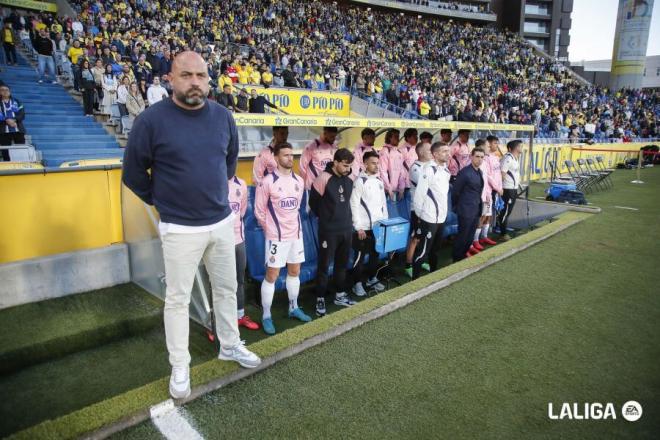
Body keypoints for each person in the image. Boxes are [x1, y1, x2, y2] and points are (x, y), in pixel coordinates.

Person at [122, 51, 261, 400]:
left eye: (201, 75)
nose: (195, 82)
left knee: (227, 289)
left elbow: (228, 164)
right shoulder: (151, 121)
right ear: (171, 78)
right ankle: (180, 365)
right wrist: (164, 201)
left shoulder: (222, 116)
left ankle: (229, 344)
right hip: (179, 229)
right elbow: (134, 175)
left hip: (220, 222)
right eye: (187, 75)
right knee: (178, 300)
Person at [254, 142, 310, 335]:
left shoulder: (299, 181)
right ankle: (267, 315)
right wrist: (271, 230)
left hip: (296, 235)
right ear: (276, 158)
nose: (289, 158)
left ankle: (293, 307)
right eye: (285, 155)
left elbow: (297, 208)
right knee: (272, 276)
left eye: (291, 155)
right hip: (276, 238)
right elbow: (259, 211)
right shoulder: (267, 181)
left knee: (295, 271)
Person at [309, 148, 356, 316]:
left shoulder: (350, 176)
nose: (347, 169)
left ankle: (339, 295)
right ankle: (320, 298)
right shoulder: (323, 178)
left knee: (342, 264)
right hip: (328, 231)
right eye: (344, 165)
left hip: (346, 228)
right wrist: (326, 217)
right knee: (324, 265)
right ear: (335, 162)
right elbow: (313, 203)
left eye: (349, 165)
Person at [350, 150, 387, 296]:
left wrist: (385, 224)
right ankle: (357, 284)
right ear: (365, 164)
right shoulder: (359, 182)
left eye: (378, 163)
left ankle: (372, 279)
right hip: (363, 229)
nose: (376, 165)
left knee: (375, 255)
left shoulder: (379, 182)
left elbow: (383, 204)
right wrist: (358, 227)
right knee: (359, 258)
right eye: (373, 163)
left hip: (377, 227)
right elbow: (353, 205)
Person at [411, 142, 451, 278]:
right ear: (435, 154)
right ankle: (414, 283)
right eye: (444, 151)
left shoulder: (446, 171)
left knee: (435, 251)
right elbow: (419, 196)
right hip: (428, 218)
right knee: (423, 252)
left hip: (441, 218)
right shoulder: (428, 170)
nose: (448, 153)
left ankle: (433, 278)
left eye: (448, 150)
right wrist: (421, 217)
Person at [228, 173, 260, 331]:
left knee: (239, 279)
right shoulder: (210, 180)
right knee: (218, 284)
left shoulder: (241, 183)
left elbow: (241, 212)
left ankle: (240, 316)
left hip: (238, 240)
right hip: (218, 243)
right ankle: (215, 323)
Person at [404, 141, 433, 278]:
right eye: (429, 150)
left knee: (423, 237)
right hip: (417, 210)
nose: (431, 152)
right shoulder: (415, 168)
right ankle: (408, 264)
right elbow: (427, 187)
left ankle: (419, 260)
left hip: (428, 209)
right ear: (421, 153)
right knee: (415, 237)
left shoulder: (430, 166)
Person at [452, 146, 486, 261]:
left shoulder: (479, 172)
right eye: (477, 156)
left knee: (470, 237)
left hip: (476, 209)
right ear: (471, 157)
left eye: (482, 157)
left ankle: (462, 256)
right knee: (463, 236)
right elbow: (455, 192)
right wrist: (457, 207)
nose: (479, 159)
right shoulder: (464, 172)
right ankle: (456, 259)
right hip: (465, 210)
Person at [480, 136, 503, 245]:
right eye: (494, 143)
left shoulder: (495, 157)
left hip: (492, 191)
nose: (496, 145)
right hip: (487, 191)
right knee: (483, 215)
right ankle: (475, 240)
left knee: (488, 214)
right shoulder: (484, 159)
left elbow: (497, 174)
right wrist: (497, 188)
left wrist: (500, 187)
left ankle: (484, 236)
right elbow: (488, 176)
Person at [497, 140, 522, 241]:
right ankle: (503, 234)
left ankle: (502, 230)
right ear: (515, 147)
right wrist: (500, 188)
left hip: (513, 188)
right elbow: (502, 174)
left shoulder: (515, 158)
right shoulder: (508, 158)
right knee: (505, 211)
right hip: (507, 189)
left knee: (508, 211)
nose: (522, 147)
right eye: (520, 146)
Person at [300, 126, 338, 191]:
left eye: (335, 136)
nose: (334, 139)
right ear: (325, 133)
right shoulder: (311, 146)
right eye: (332, 137)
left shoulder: (334, 146)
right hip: (312, 188)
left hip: (327, 187)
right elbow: (302, 166)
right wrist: (302, 185)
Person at [379, 128, 405, 201]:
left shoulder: (399, 152)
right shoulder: (385, 151)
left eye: (398, 136)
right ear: (390, 138)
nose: (398, 139)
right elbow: (383, 171)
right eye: (396, 137)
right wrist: (388, 188)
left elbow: (401, 171)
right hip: (386, 190)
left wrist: (402, 188)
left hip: (396, 189)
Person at [0, 84, 25, 161]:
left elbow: (22, 114)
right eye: (2, 90)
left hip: (18, 130)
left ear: (10, 91)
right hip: (3, 131)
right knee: (5, 152)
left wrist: (14, 120)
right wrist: (7, 120)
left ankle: (21, 168)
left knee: (21, 151)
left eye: (7, 90)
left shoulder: (17, 101)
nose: (5, 92)